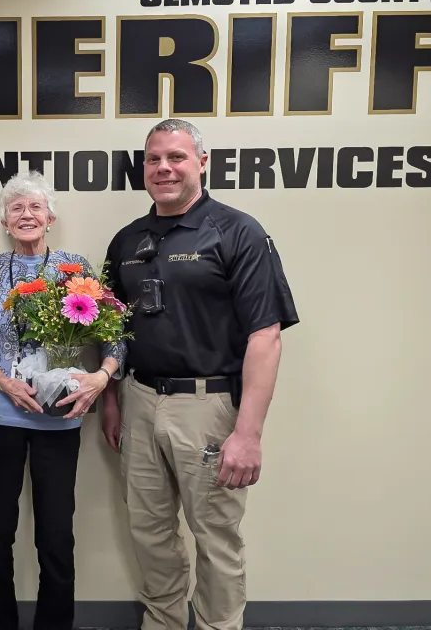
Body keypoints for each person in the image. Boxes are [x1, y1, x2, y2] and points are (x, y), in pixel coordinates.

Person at [100, 119, 299, 630]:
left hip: (209, 407)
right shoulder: (126, 241)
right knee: (149, 532)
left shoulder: (237, 232)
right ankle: (163, 622)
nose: (163, 168)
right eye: (153, 159)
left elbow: (266, 337)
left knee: (215, 536)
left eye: (177, 157)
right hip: (140, 400)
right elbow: (112, 328)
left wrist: (248, 433)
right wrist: (112, 400)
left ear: (201, 162)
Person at [0, 170, 125, 630]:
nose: (26, 215)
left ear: (50, 217)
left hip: (60, 419)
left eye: (35, 207)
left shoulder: (74, 267)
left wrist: (100, 378)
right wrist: (4, 382)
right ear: (5, 221)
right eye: (17, 208)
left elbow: (114, 337)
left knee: (56, 535)